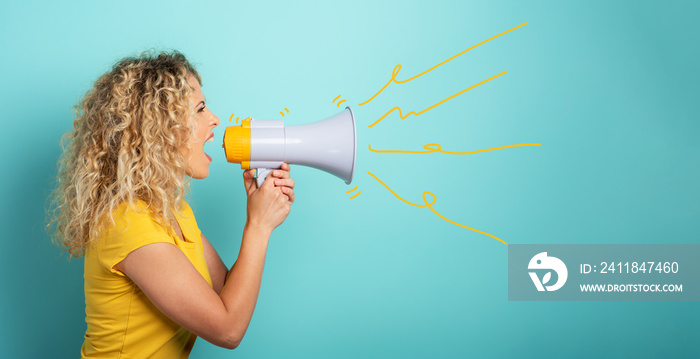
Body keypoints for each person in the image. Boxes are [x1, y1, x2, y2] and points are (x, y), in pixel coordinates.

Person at [47, 50, 295, 358]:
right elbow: (228, 329)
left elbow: (226, 293)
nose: (214, 119)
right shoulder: (129, 224)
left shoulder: (171, 210)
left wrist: (261, 212)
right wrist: (258, 226)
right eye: (200, 109)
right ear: (158, 129)